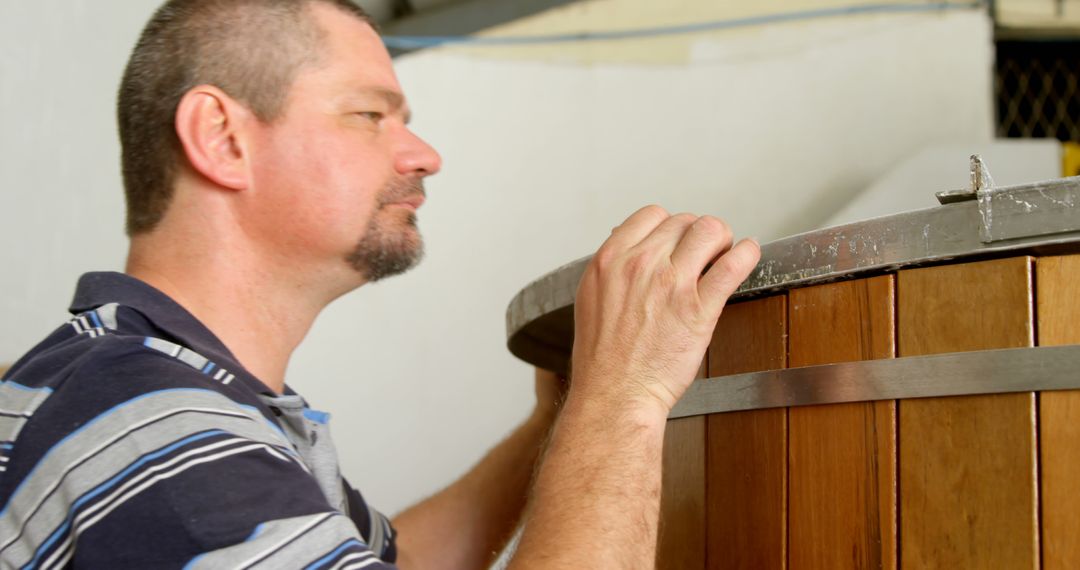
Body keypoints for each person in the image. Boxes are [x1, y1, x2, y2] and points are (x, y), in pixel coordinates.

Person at [0, 0, 760, 568]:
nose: (424, 154)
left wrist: (558, 423)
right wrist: (624, 398)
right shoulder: (157, 437)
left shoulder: (148, 390)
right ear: (223, 139)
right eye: (369, 114)